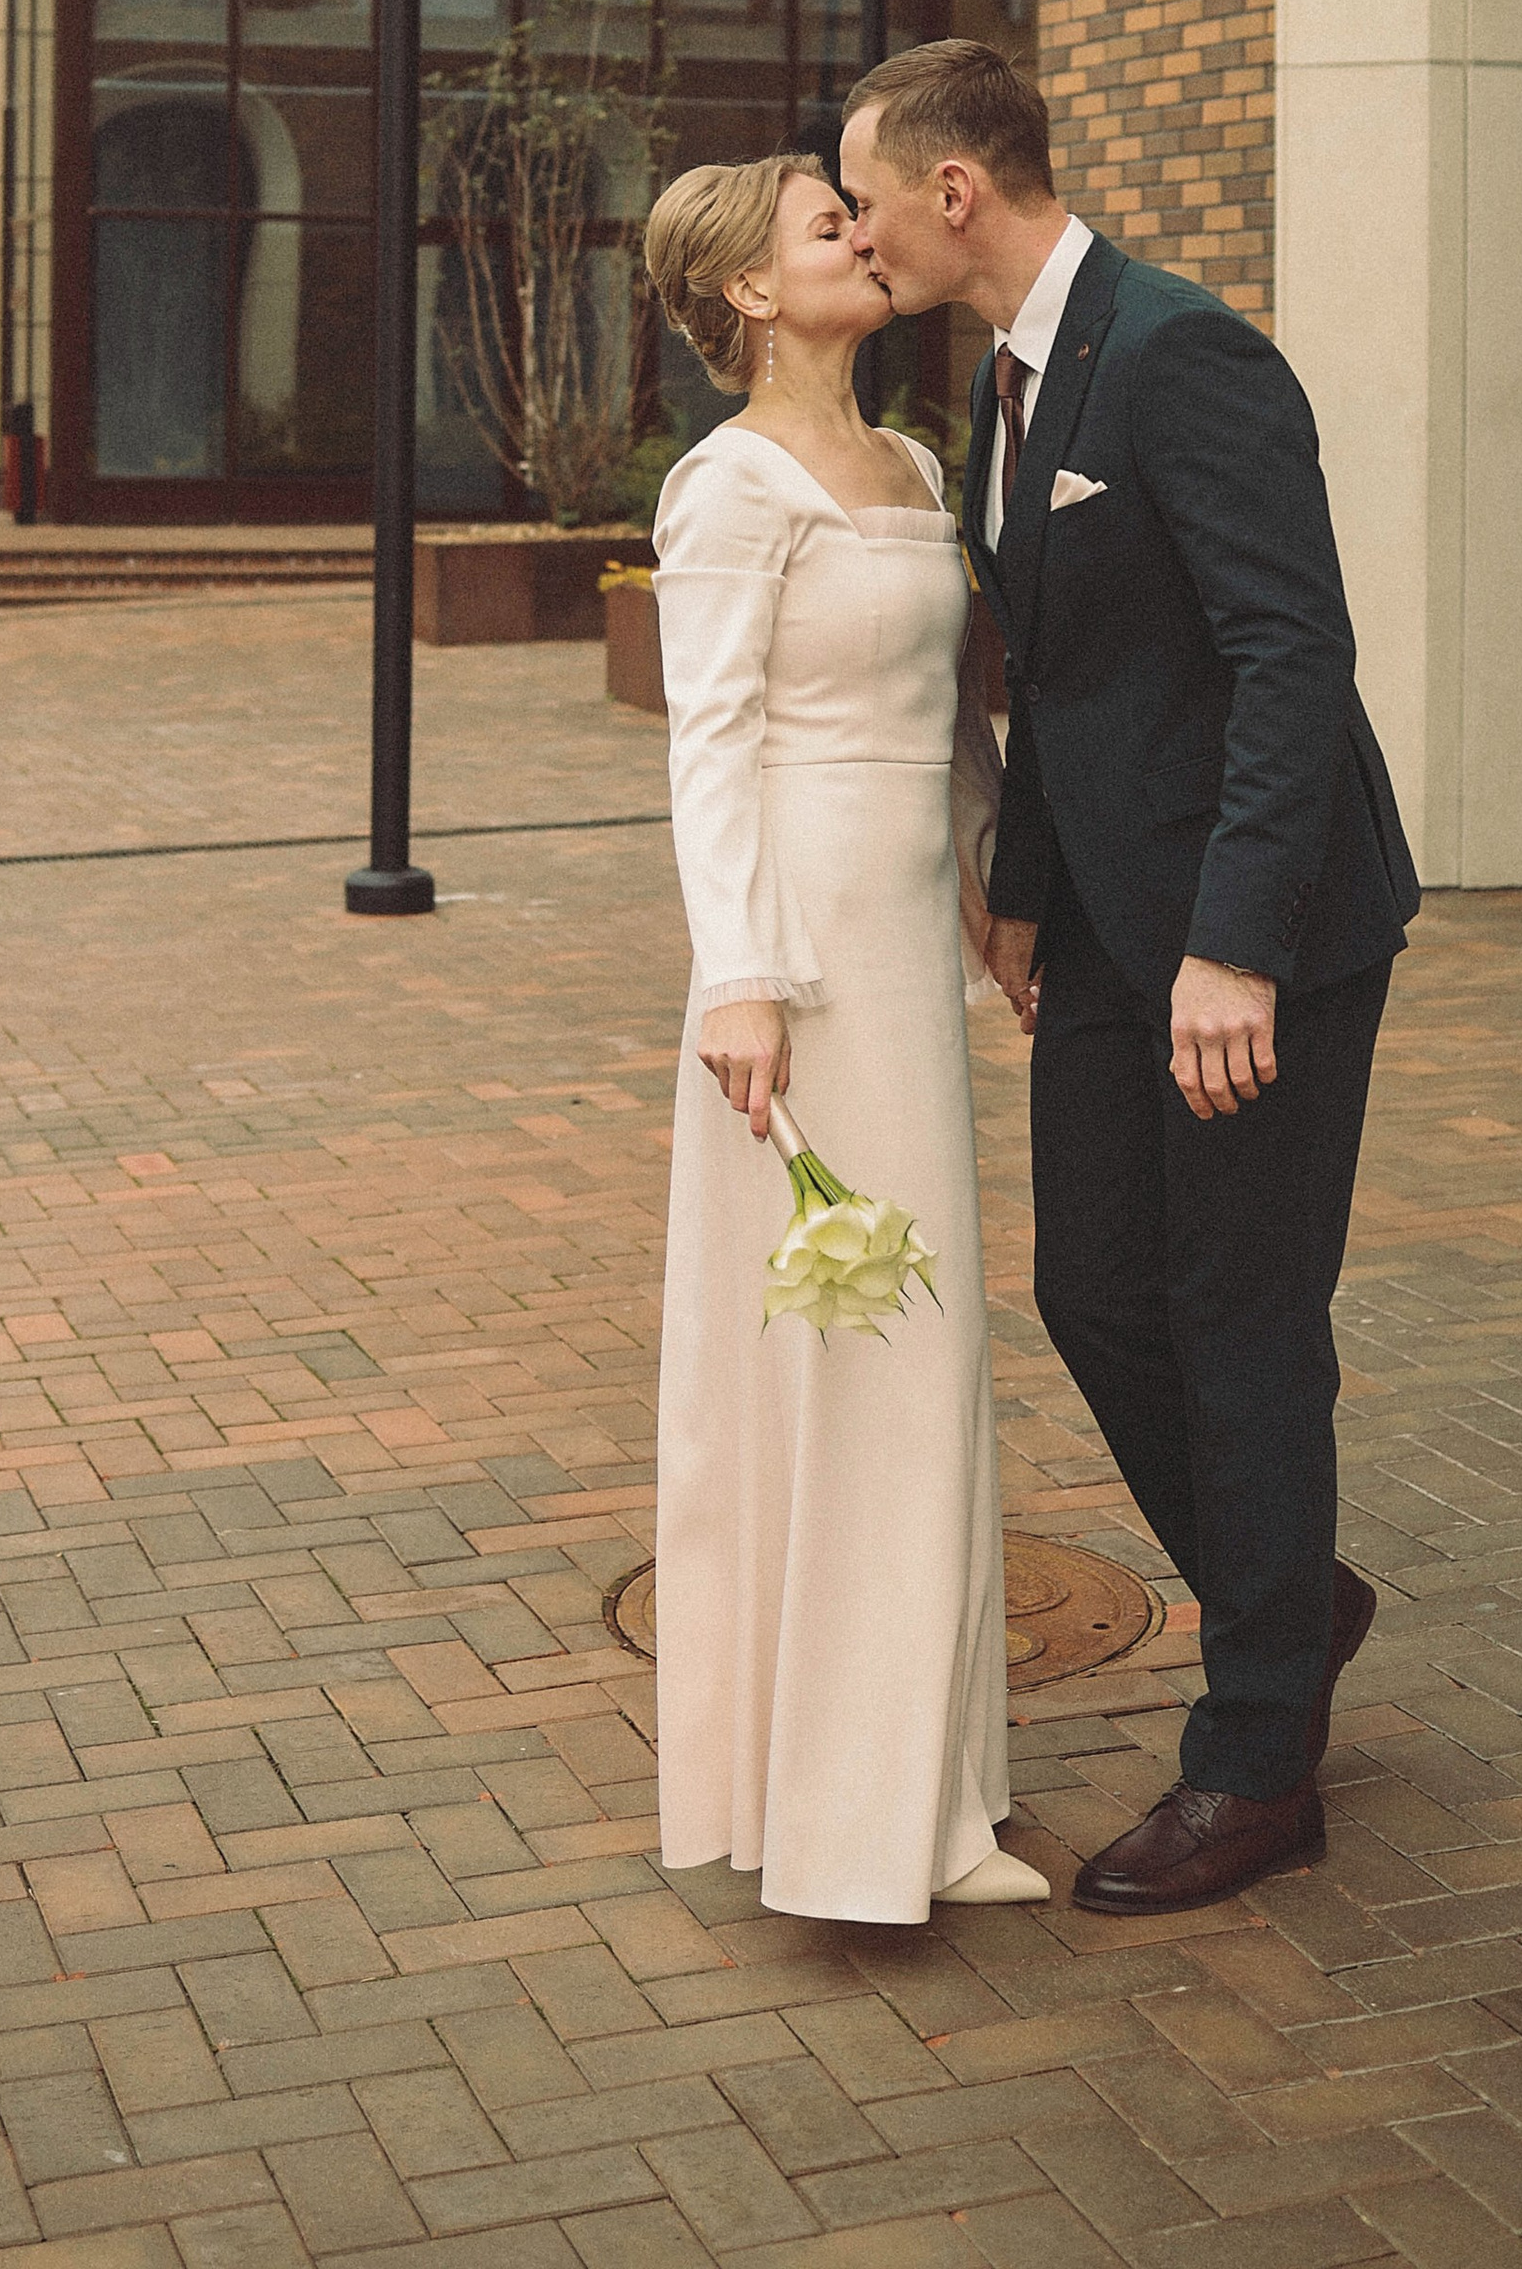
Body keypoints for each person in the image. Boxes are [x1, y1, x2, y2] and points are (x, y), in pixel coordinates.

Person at [838, 41, 1419, 1915]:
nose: (854, 232)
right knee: (1094, 1290)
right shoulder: (1004, 382)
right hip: (1098, 926)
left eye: (866, 199)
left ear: (953, 191)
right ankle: (1291, 1595)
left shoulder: (1182, 355)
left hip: (1259, 935)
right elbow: (1068, 675)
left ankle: (1256, 1762)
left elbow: (1290, 656)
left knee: (1239, 1318)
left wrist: (1234, 945)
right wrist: (1023, 894)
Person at [642, 153, 1049, 1921]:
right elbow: (709, 744)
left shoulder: (918, 469)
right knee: (842, 1352)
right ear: (748, 291)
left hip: (905, 955)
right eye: (829, 226)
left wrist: (999, 896)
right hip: (796, 968)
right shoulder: (726, 486)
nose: (865, 237)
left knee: (921, 1353)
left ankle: (927, 1792)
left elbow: (948, 723)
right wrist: (738, 976)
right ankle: (838, 1817)